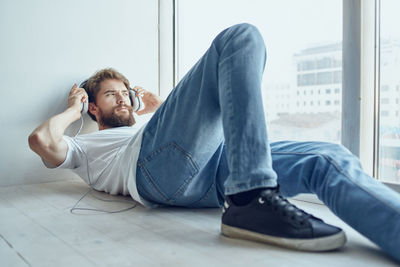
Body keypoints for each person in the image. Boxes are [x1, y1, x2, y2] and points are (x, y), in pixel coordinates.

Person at [28, 23, 400, 261]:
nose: (123, 98)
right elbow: (42, 140)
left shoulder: (149, 123)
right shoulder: (84, 147)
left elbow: (196, 129)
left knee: (326, 157)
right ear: (94, 107)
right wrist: (73, 109)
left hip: (213, 172)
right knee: (240, 38)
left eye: (126, 92)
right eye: (111, 95)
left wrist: (162, 110)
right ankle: (252, 197)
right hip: (154, 172)